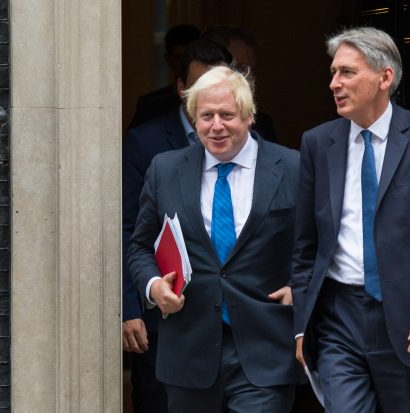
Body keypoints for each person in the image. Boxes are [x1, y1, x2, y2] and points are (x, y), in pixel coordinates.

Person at [291, 27, 410, 412]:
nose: (334, 83)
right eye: (333, 73)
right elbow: (305, 245)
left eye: (347, 73)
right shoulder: (318, 143)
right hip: (338, 318)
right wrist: (304, 324)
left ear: (384, 77)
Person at [128, 65, 302, 412]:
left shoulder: (293, 167)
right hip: (189, 350)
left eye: (227, 115)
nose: (216, 126)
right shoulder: (165, 169)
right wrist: (152, 287)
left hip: (264, 350)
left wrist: (303, 283)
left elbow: (319, 242)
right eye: (206, 115)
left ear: (250, 116)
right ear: (193, 120)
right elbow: (140, 246)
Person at [122, 38, 232, 413]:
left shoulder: (259, 139)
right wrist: (130, 306)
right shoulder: (145, 143)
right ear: (182, 88)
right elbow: (130, 230)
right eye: (201, 86)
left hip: (240, 322)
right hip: (168, 316)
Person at [202, 26, 277, 142]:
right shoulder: (174, 125)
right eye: (239, 69)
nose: (247, 78)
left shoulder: (261, 125)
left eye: (250, 70)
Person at [129, 24, 201, 129]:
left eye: (191, 58)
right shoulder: (149, 107)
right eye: (179, 57)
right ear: (168, 59)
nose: (185, 64)